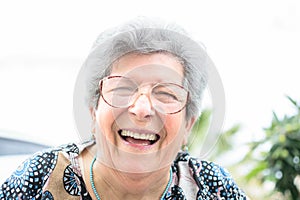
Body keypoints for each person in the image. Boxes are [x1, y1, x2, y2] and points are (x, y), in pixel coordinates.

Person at [0, 17, 247, 199]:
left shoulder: (216, 189)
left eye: (166, 93)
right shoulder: (40, 177)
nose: (142, 109)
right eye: (122, 89)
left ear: (188, 125)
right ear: (93, 111)